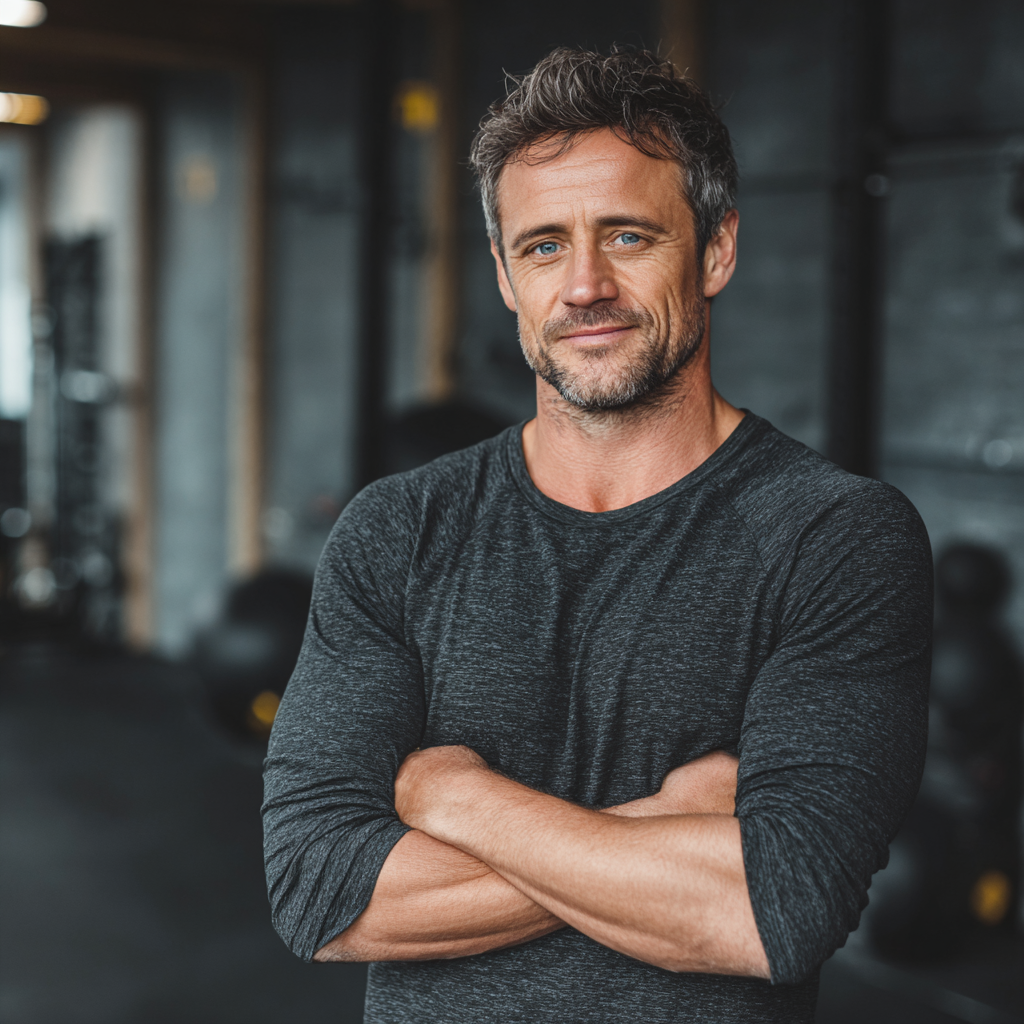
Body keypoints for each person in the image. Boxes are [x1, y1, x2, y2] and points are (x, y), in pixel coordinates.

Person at [263, 47, 932, 1023]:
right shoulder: (397, 531)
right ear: (501, 274)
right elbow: (319, 892)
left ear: (714, 248)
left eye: (625, 235)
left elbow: (771, 906)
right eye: (542, 246)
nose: (583, 286)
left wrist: (451, 797)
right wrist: (666, 827)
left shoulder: (835, 538)